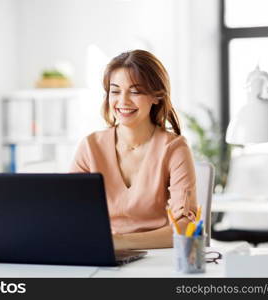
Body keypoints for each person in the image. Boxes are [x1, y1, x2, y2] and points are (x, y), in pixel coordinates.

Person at [70, 50, 197, 250]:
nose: (123, 101)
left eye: (135, 91)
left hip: (156, 258)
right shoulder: (90, 146)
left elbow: (185, 226)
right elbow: (69, 213)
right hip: (101, 254)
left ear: (157, 96)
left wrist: (120, 242)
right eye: (115, 91)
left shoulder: (174, 149)